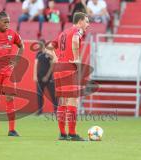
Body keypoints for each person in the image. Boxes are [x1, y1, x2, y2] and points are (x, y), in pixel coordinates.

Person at [52, 12, 90, 141]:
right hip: (69, 68)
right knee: (72, 100)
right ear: (80, 22)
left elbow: (49, 47)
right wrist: (76, 59)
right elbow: (74, 40)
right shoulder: (77, 31)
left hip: (59, 68)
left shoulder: (63, 33)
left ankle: (62, 134)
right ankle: (72, 134)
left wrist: (56, 58)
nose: (88, 24)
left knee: (62, 101)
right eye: (86, 21)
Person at [33, 39, 58, 115]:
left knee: (53, 94)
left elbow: (52, 65)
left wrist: (47, 76)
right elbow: (36, 65)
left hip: (48, 77)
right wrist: (35, 76)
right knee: (39, 94)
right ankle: (39, 111)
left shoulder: (49, 53)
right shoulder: (38, 54)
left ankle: (56, 111)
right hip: (40, 77)